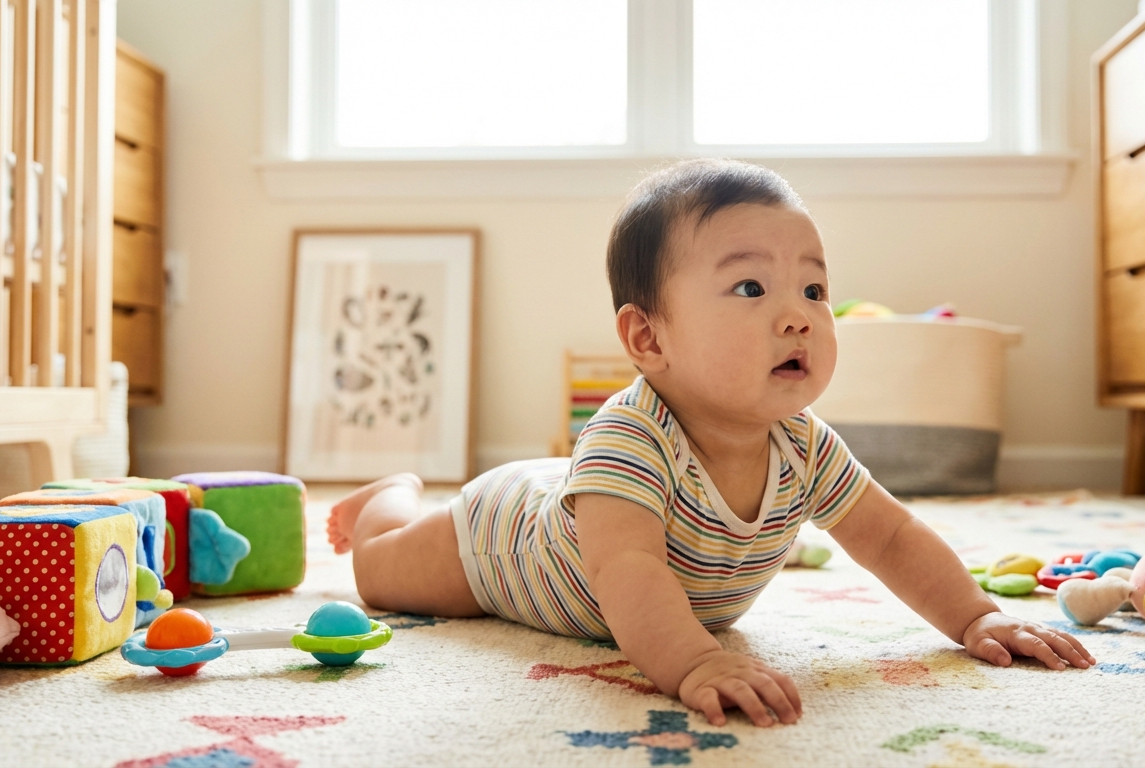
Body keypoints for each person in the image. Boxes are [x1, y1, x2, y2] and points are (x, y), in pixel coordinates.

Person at [326, 159, 1094, 728]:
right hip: (502, 540)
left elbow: (890, 535)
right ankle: (389, 496)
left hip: (574, 496)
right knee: (378, 575)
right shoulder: (628, 440)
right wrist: (695, 659)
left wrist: (975, 618)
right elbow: (629, 569)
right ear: (647, 336)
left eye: (814, 290)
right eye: (752, 288)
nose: (797, 315)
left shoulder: (803, 443)